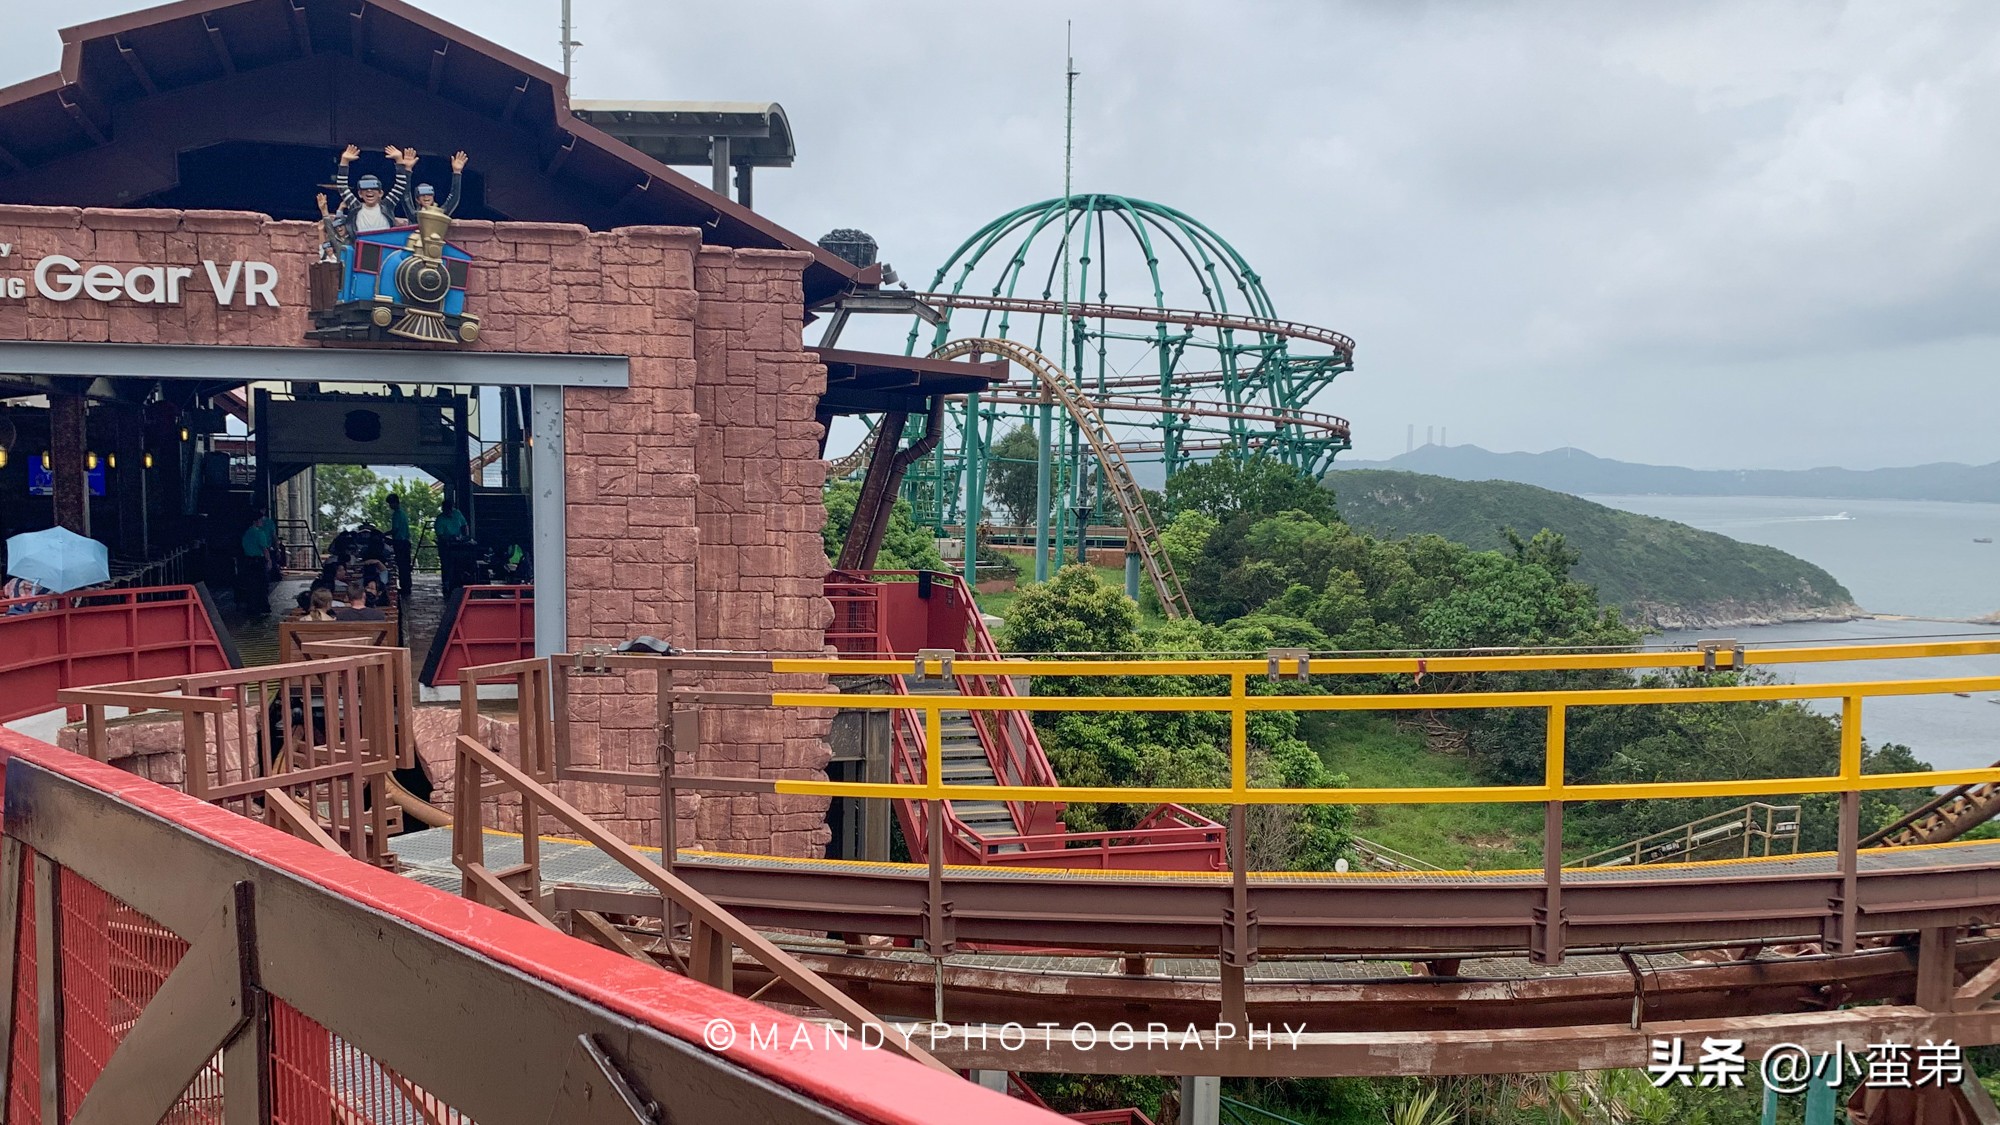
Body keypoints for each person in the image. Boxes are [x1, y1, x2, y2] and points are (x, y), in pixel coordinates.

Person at [333, 143, 413, 234]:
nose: (369, 190)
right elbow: (342, 186)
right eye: (365, 189)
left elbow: (400, 185)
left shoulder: (387, 206)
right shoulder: (355, 207)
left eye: (373, 188)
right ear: (360, 194)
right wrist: (344, 161)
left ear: (380, 193)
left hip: (384, 241)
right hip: (362, 242)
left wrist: (399, 160)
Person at [401, 151, 467, 220]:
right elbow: (406, 197)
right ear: (417, 200)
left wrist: (457, 172)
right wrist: (407, 170)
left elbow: (453, 199)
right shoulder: (414, 216)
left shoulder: (440, 215)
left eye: (429, 194)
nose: (426, 197)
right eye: (422, 195)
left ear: (433, 197)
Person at [239, 507, 275, 615]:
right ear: (256, 521)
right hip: (259, 561)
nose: (262, 522)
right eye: (260, 520)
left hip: (248, 560)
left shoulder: (246, 533)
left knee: (251, 585)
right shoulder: (260, 533)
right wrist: (269, 560)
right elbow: (265, 549)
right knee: (262, 585)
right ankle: (263, 606)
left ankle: (252, 607)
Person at [385, 492, 412, 596]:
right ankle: (407, 586)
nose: (390, 506)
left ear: (395, 503)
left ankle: (404, 587)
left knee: (402, 565)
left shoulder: (396, 515)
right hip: (405, 542)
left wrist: (384, 534)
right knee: (405, 565)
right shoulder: (403, 513)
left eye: (390, 503)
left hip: (400, 543)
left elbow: (395, 529)